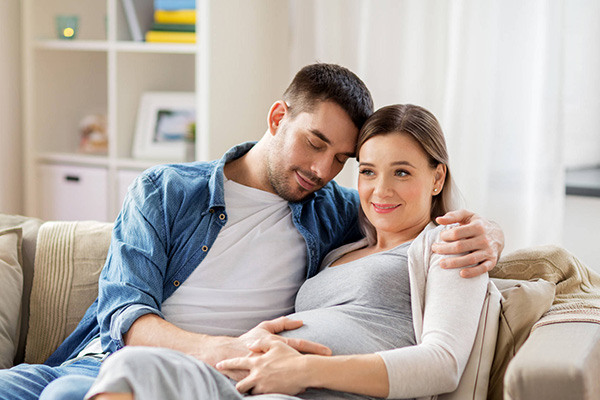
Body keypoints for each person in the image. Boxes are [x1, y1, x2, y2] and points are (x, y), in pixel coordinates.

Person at [0, 64, 503, 400]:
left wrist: (487, 231)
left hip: (230, 381)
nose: (323, 170)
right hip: (116, 358)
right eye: (315, 143)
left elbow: (410, 217)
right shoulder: (168, 190)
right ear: (278, 117)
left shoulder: (331, 211)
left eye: (341, 161)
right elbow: (124, 313)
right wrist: (223, 348)